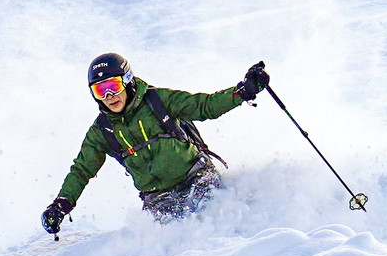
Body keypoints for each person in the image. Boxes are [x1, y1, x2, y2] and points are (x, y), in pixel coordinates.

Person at [41, 53, 269, 233]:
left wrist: (242, 92)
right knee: (169, 237)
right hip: (158, 197)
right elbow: (81, 170)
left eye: (113, 86)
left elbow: (204, 106)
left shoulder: (157, 100)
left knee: (215, 215)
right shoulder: (102, 130)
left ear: (128, 81)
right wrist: (61, 204)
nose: (109, 96)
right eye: (100, 90)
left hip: (195, 176)